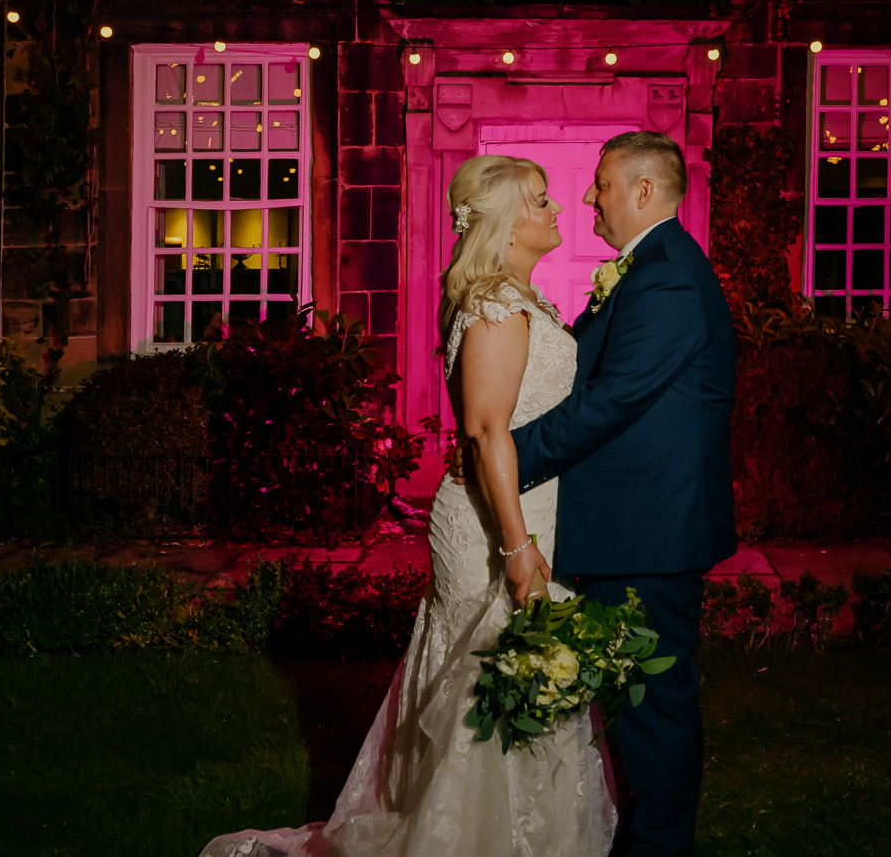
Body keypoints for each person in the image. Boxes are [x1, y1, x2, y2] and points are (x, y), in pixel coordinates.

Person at [199, 154, 616, 857]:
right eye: (540, 200)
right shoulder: (495, 306)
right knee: (487, 678)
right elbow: (486, 431)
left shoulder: (521, 298)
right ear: (507, 223)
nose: (557, 209)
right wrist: (517, 550)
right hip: (494, 521)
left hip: (524, 507)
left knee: (508, 675)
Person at [451, 130, 735, 857]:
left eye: (601, 184)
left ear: (644, 191)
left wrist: (500, 461)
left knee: (654, 713)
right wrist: (493, 454)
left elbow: (610, 403)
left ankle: (658, 848)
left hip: (648, 534)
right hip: (628, 529)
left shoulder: (667, 277)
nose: (586, 197)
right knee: (633, 712)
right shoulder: (650, 269)